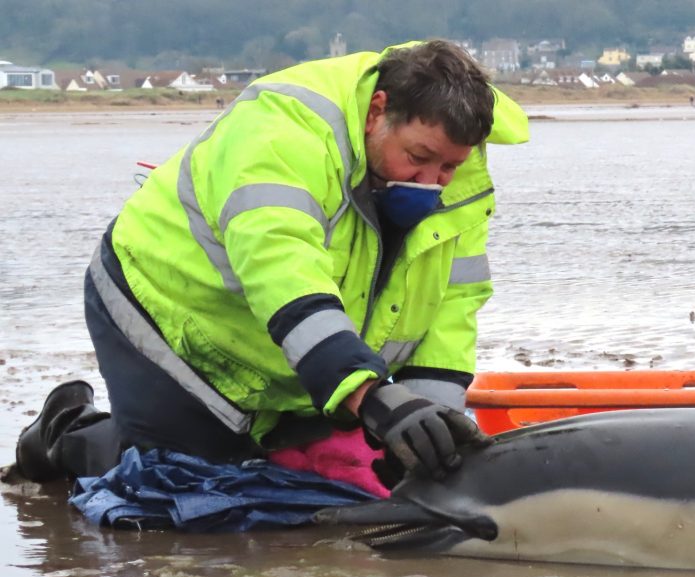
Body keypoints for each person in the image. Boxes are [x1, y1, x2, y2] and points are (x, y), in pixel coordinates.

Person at [16, 40, 529, 485]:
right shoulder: (282, 135)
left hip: (279, 351)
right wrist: (373, 399)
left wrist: (426, 423)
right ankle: (65, 432)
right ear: (377, 112)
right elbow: (282, 273)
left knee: (319, 475)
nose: (431, 182)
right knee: (182, 477)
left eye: (448, 166)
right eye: (417, 158)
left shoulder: (458, 180)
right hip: (168, 309)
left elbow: (451, 306)